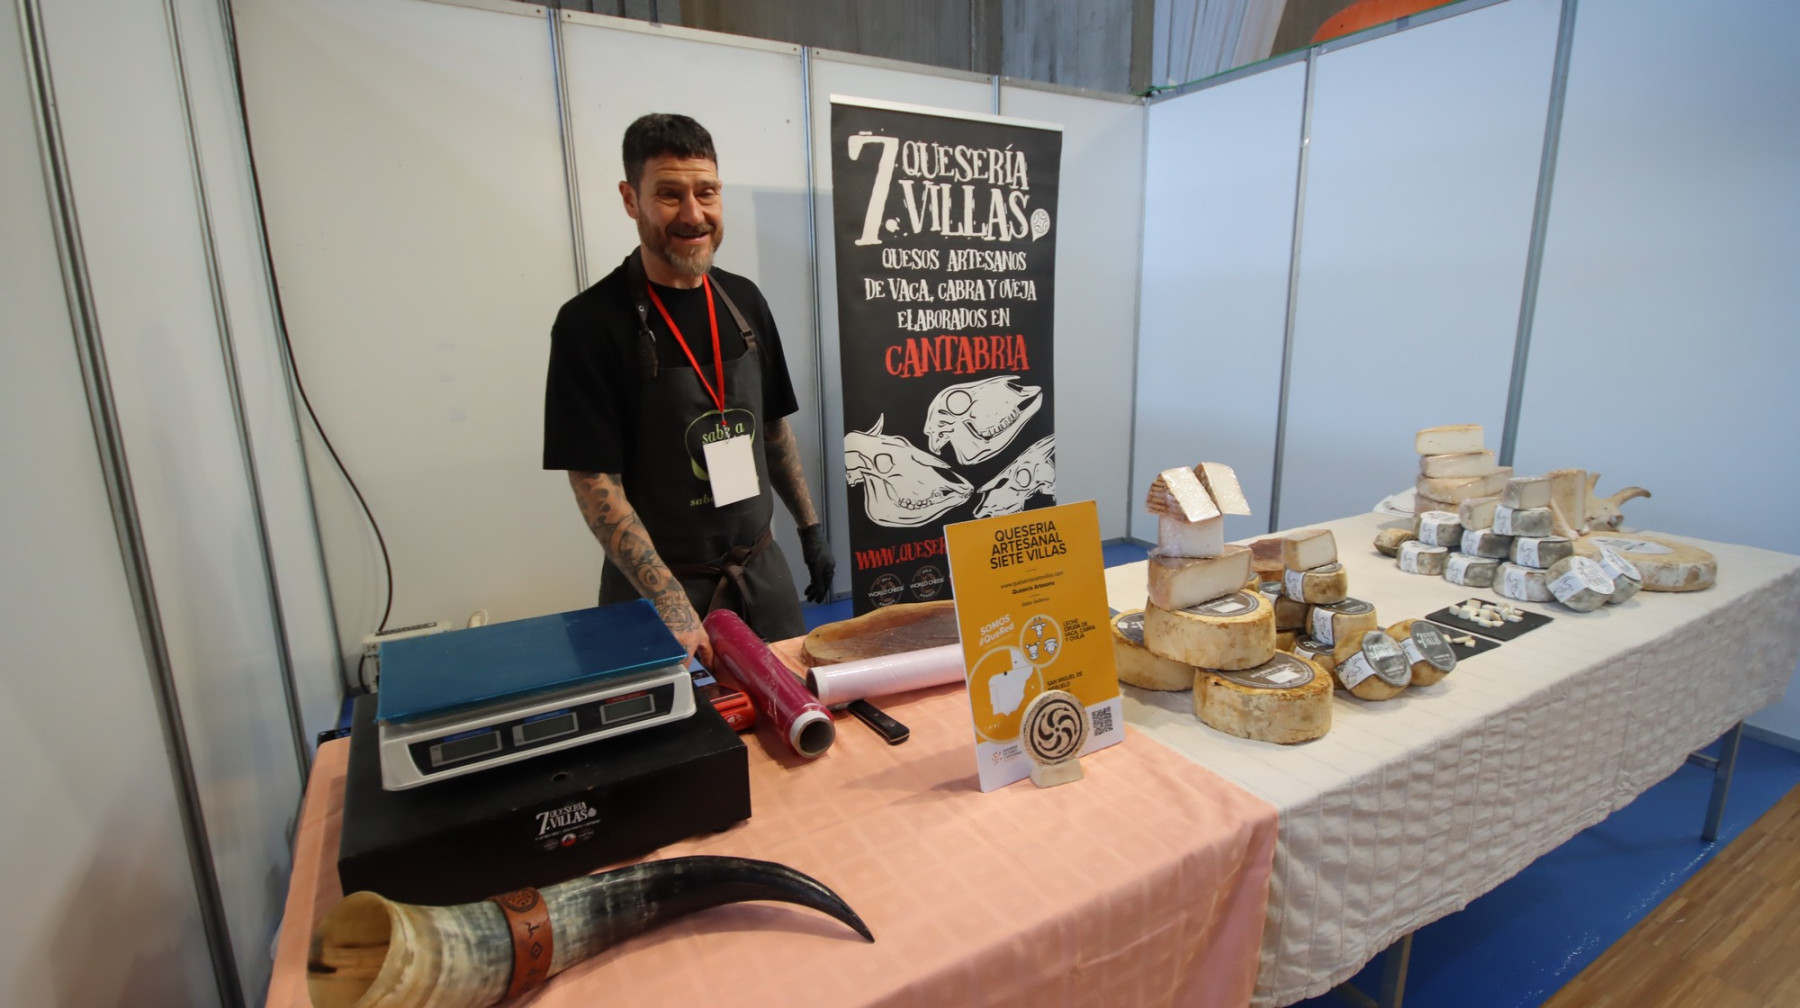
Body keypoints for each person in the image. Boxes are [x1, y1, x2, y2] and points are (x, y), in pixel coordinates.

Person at [543, 113, 833, 666]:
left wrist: (809, 527)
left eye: (706, 192)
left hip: (760, 575)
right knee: (676, 722)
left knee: (798, 707)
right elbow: (593, 479)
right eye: (669, 195)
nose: (693, 215)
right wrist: (670, 603)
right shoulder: (589, 323)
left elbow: (773, 429)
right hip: (657, 594)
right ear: (631, 200)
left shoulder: (744, 301)